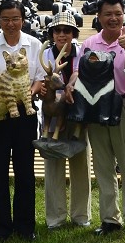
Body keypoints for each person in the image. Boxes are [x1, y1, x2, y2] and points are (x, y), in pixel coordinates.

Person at [70, 0, 125, 237]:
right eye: (108, 14)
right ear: (99, 17)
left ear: (124, 16)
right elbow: (78, 73)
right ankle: (110, 219)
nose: (113, 18)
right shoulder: (89, 44)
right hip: (96, 106)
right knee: (102, 163)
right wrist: (70, 85)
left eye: (117, 14)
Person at [0, 0, 45, 242]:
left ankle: (26, 227)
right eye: (6, 19)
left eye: (15, 18)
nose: (11, 23)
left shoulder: (33, 44)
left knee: (25, 171)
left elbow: (38, 80)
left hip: (25, 114)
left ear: (22, 20)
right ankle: (1, 228)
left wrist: (27, 95)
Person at [39, 12, 91, 231]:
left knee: (81, 164)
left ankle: (81, 216)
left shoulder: (83, 54)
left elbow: (82, 75)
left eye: (66, 31)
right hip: (52, 114)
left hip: (78, 115)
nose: (62, 35)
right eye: (57, 31)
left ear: (73, 34)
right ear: (52, 34)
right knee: (53, 165)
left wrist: (71, 84)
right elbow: (38, 80)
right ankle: (55, 217)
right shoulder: (45, 55)